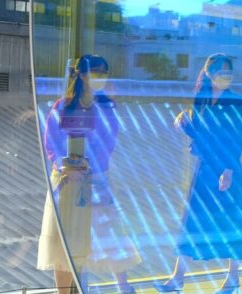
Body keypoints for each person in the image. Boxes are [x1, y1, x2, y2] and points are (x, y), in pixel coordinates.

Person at [38, 54, 141, 293]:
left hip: (95, 180)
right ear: (82, 75)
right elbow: (51, 141)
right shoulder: (62, 106)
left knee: (109, 234)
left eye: (104, 72)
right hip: (66, 181)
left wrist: (88, 169)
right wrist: (66, 167)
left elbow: (107, 144)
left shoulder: (106, 108)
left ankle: (124, 287)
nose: (101, 77)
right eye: (96, 71)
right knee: (63, 243)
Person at [156, 54, 242, 294]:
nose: (226, 76)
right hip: (205, 168)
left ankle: (233, 279)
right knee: (192, 221)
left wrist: (229, 170)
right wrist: (183, 121)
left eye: (229, 72)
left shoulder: (237, 101)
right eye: (221, 72)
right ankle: (178, 277)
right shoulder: (200, 100)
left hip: (226, 167)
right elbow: (200, 134)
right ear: (209, 73)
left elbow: (236, 138)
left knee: (232, 222)